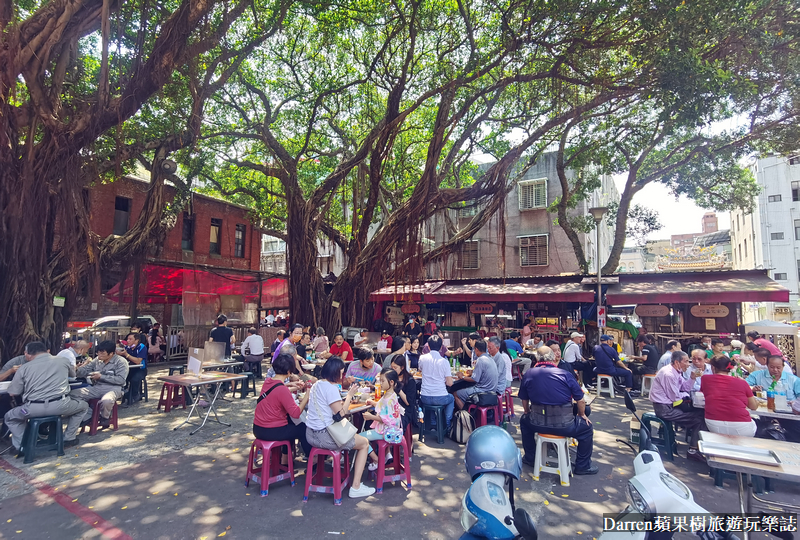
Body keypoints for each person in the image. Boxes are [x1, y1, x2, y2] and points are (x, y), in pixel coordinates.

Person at [518, 346, 597, 475]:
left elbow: (524, 399)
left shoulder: (529, 374)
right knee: (587, 428)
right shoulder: (564, 374)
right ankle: (583, 466)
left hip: (536, 423)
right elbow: (581, 400)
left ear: (537, 358)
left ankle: (530, 458)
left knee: (524, 422)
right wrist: (581, 415)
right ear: (553, 358)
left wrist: (527, 412)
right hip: (565, 425)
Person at [305, 356, 375, 498]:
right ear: (335, 372)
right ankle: (356, 487)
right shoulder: (330, 388)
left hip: (310, 434)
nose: (342, 375)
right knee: (364, 443)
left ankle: (351, 482)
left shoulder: (317, 384)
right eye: (341, 372)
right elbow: (341, 414)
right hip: (324, 436)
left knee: (356, 439)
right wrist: (349, 395)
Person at [4, 342, 88, 452]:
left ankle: (22, 445)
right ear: (46, 350)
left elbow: (13, 393)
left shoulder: (23, 368)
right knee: (83, 406)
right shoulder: (63, 361)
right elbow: (73, 375)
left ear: (28, 354)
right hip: (61, 405)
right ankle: (69, 438)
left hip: (32, 409)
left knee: (10, 417)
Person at [649, 351, 706, 462]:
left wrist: (692, 378)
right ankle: (693, 450)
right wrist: (685, 396)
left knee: (700, 413)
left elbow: (685, 387)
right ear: (677, 362)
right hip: (664, 409)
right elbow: (675, 397)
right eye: (686, 361)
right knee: (699, 419)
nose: (689, 364)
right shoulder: (668, 374)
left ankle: (694, 445)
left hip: (670, 405)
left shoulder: (676, 371)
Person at [253, 353, 311, 457]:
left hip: (258, 428)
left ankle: (285, 461)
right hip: (271, 431)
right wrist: (307, 395)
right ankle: (312, 459)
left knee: (289, 423)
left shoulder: (267, 382)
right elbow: (296, 413)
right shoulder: (282, 390)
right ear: (289, 371)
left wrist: (290, 385)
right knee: (302, 428)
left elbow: (277, 390)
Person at [71, 340, 129, 428]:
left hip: (114, 388)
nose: (99, 355)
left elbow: (121, 380)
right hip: (97, 387)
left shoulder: (121, 362)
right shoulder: (97, 360)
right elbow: (86, 370)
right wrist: (75, 370)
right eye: (98, 352)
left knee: (107, 400)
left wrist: (101, 377)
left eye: (102, 353)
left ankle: (104, 417)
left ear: (111, 353)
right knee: (72, 395)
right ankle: (89, 415)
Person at [700, 355, 758, 437]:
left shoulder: (705, 379)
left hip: (713, 423)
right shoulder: (742, 382)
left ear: (712, 367)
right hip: (741, 426)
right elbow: (753, 406)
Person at [747, 355, 800, 442]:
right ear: (767, 366)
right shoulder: (757, 375)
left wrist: (795, 402)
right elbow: (745, 386)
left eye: (778, 367)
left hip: (789, 415)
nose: (775, 370)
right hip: (764, 414)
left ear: (783, 366)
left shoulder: (793, 379)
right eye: (772, 367)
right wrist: (752, 388)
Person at [361, 368, 405, 471]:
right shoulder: (391, 395)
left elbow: (386, 419)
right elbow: (384, 409)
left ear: (391, 382)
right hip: (390, 429)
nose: (380, 383)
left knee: (359, 438)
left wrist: (371, 417)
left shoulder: (388, 398)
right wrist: (373, 403)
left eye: (382, 381)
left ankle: (376, 460)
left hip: (385, 431)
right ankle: (385, 456)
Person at [418, 334, 455, 431]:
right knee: (451, 398)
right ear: (441, 347)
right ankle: (446, 424)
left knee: (431, 403)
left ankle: (434, 425)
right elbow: (450, 383)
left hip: (424, 397)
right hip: (440, 397)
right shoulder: (444, 362)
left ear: (428, 346)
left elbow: (420, 369)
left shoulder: (422, 358)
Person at [454, 340, 498, 410]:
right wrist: (472, 372)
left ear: (476, 349)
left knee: (456, 394)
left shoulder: (480, 360)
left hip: (482, 392)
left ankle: (466, 417)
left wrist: (462, 377)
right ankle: (471, 411)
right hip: (492, 390)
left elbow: (474, 379)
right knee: (465, 388)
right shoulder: (490, 359)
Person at [390, 354, 417, 430]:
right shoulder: (390, 377)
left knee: (395, 422)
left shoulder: (410, 381)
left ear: (402, 368)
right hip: (391, 406)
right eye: (391, 367)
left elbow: (408, 402)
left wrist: (398, 389)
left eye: (395, 368)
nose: (392, 369)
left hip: (405, 410)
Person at [120, 332, 148, 403]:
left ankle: (135, 394)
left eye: (130, 339)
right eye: (127, 339)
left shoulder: (142, 347)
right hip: (129, 368)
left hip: (140, 369)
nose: (128, 341)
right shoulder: (126, 348)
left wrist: (126, 355)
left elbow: (138, 361)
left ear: (136, 340)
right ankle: (124, 393)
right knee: (121, 377)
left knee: (135, 379)